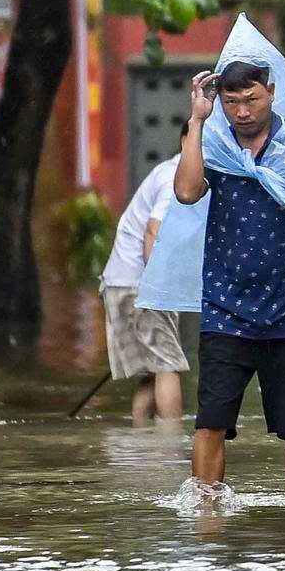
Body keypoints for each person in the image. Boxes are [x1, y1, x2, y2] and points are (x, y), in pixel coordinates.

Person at [136, 17, 285, 507]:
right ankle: (206, 518)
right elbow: (187, 191)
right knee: (210, 422)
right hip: (226, 308)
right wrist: (196, 120)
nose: (241, 111)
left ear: (272, 92)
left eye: (251, 99)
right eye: (232, 102)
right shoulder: (213, 144)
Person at [99, 154, 187, 426]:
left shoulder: (170, 172)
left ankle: (141, 449)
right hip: (143, 285)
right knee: (167, 367)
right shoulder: (176, 177)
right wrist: (159, 287)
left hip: (120, 282)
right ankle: (172, 452)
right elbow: (153, 231)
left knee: (153, 372)